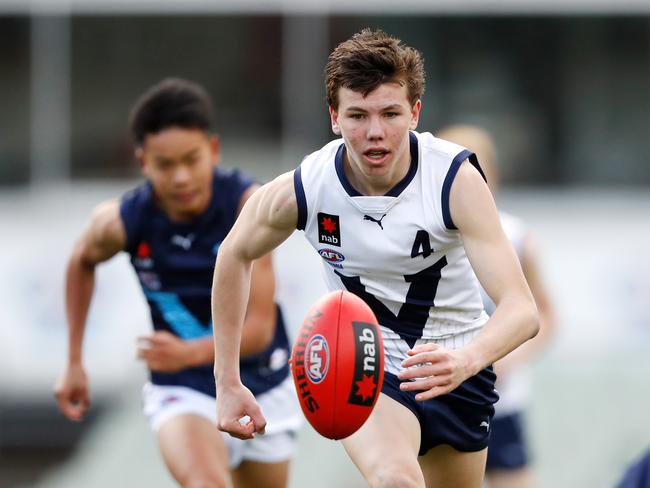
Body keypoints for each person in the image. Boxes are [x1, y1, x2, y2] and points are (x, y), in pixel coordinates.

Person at [212, 29, 539, 488]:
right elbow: (233, 253)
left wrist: (469, 359)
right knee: (396, 480)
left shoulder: (455, 179)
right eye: (357, 115)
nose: (375, 132)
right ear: (334, 117)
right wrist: (227, 381)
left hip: (456, 367)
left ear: (415, 112)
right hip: (367, 361)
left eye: (390, 113)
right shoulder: (308, 187)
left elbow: (523, 310)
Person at [54, 78, 301, 488]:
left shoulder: (248, 207)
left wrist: (186, 352)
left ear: (214, 150)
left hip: (260, 380)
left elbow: (257, 330)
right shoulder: (122, 222)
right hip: (184, 388)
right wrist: (74, 361)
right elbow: (81, 260)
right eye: (166, 165)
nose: (182, 177)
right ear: (143, 162)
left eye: (192, 159)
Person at [437, 124, 556, 488]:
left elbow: (545, 316)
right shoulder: (422, 237)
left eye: (477, 173)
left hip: (500, 401)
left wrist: (506, 357)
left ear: (494, 178)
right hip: (437, 398)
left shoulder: (515, 238)